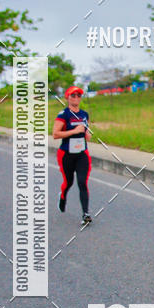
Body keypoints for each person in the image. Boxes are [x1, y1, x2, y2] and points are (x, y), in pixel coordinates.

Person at [53, 86, 93, 226]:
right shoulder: (63, 114)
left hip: (82, 153)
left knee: (82, 182)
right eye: (73, 95)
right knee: (68, 182)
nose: (76, 98)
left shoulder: (84, 114)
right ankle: (62, 197)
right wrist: (74, 131)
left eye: (78, 95)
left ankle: (85, 214)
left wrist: (86, 134)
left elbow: (86, 130)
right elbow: (55, 134)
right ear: (67, 97)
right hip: (66, 154)